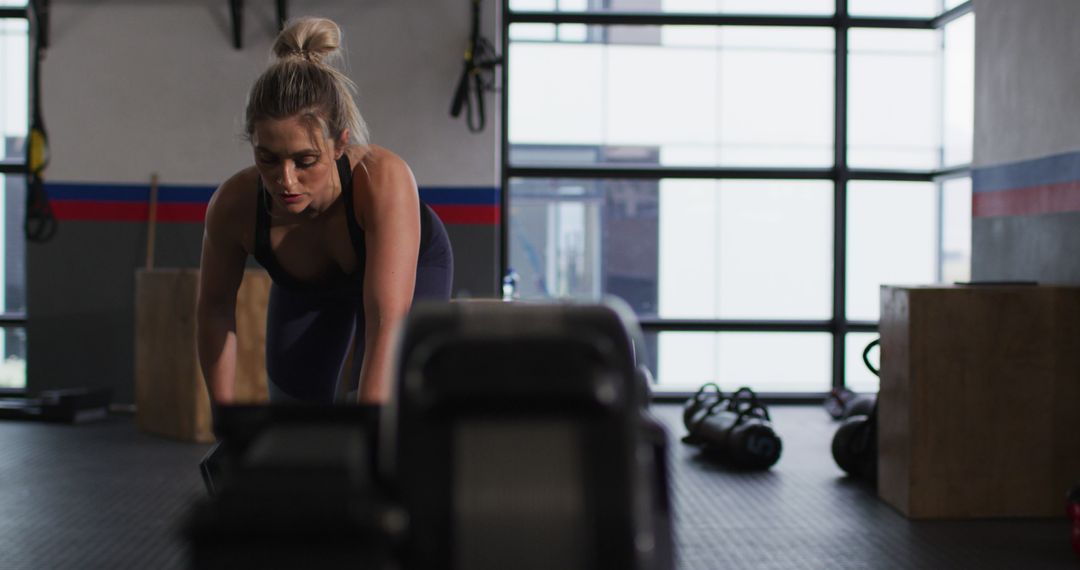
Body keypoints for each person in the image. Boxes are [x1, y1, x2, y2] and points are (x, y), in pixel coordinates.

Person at [196, 17, 453, 405]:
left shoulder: (383, 181)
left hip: (409, 272)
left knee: (382, 408)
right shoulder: (234, 206)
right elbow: (215, 310)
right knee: (293, 418)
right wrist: (223, 423)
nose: (286, 180)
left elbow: (386, 321)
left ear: (339, 145)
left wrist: (371, 434)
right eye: (268, 158)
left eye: (305, 160)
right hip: (308, 288)